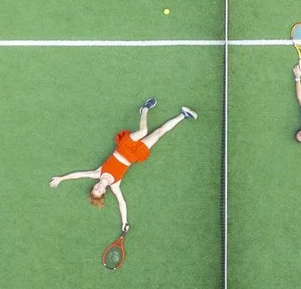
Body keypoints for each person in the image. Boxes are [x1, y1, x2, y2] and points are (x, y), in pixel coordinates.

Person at [50, 98, 196, 229]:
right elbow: (122, 204)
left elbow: (78, 175)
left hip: (124, 147)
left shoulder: (97, 173)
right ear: (104, 192)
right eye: (100, 191)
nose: (99, 187)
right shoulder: (115, 185)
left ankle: (144, 109)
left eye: (95, 188)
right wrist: (124, 223)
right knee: (159, 132)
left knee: (143, 130)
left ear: (94, 185)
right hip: (134, 155)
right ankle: (183, 115)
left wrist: (61, 178)